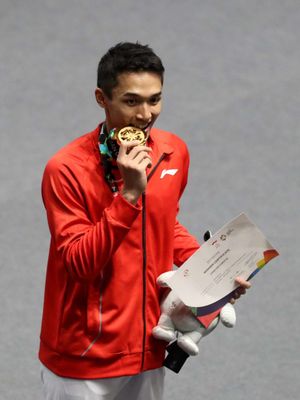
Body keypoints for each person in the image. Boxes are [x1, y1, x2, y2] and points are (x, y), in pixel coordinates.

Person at [39, 42, 250, 400]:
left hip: (147, 342)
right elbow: (79, 263)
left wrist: (211, 269)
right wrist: (130, 195)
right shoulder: (66, 169)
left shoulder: (172, 151)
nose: (145, 114)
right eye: (132, 101)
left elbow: (165, 225)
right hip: (83, 355)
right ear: (101, 98)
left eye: (155, 100)